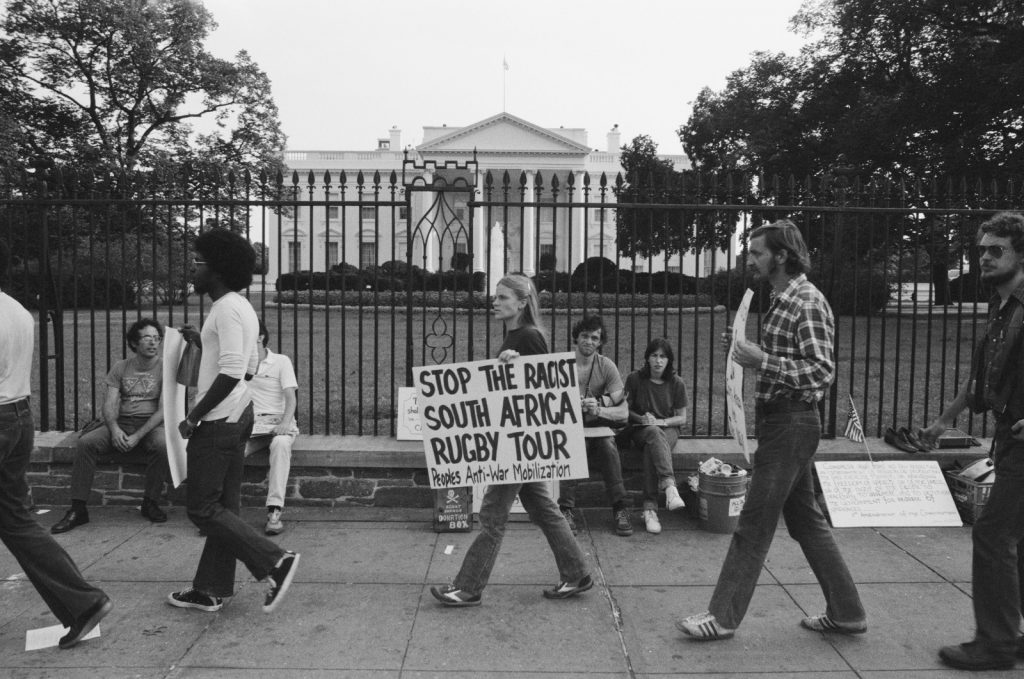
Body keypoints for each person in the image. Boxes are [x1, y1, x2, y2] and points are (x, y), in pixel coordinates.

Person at [677, 219, 865, 641]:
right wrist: (746, 352)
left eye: (757, 252)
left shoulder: (806, 300)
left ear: (781, 256)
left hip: (792, 422)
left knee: (754, 523)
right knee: (806, 522)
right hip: (783, 421)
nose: (750, 259)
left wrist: (761, 360)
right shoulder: (784, 299)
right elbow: (787, 358)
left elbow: (821, 372)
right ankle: (848, 612)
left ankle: (722, 617)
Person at [430, 274, 592, 606]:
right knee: (543, 508)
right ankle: (577, 573)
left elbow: (541, 390)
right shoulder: (517, 334)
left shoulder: (528, 337)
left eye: (503, 297)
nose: (496, 302)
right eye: (496, 296)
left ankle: (468, 587)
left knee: (492, 515)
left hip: (517, 445)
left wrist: (516, 365)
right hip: (517, 442)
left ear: (521, 303)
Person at [169, 229, 300, 615]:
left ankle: (275, 561)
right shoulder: (241, 307)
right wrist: (203, 342)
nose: (192, 268)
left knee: (202, 509)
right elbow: (248, 367)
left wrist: (193, 416)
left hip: (219, 420)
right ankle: (210, 589)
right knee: (224, 507)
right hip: (240, 414)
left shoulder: (225, 309)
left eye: (197, 261)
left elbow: (230, 372)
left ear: (217, 268)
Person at [920, 211, 1024, 671]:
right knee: (1016, 538)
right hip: (1009, 437)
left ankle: (996, 644)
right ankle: (1011, 636)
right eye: (981, 249)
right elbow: (981, 378)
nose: (984, 256)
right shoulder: (1003, 307)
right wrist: (944, 421)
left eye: (996, 249)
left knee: (994, 534)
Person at [0, 240, 111, 648]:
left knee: (15, 519)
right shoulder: (15, 309)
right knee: (16, 520)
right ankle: (83, 603)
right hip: (19, 416)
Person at [51, 318, 170, 533]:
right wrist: (115, 430)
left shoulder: (165, 368)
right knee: (86, 443)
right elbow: (109, 404)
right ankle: (78, 509)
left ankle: (150, 502)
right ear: (134, 343)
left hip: (150, 426)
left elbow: (163, 411)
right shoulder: (120, 367)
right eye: (147, 337)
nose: (153, 342)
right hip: (122, 422)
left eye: (157, 338)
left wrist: (137, 436)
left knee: (163, 445)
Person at [557, 315, 632, 536]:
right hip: (568, 428)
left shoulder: (606, 366)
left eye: (594, 338)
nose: (589, 341)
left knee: (608, 444)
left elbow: (623, 412)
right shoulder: (561, 365)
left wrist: (598, 408)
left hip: (596, 428)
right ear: (576, 337)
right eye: (585, 336)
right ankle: (565, 509)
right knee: (574, 444)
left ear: (600, 342)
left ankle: (620, 507)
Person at [623, 338, 688, 534]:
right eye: (654, 356)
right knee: (652, 433)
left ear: (669, 360)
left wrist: (663, 421)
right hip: (641, 429)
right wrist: (642, 418)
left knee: (653, 448)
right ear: (647, 358)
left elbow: (682, 417)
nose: (658, 361)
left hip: (668, 429)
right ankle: (669, 487)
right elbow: (624, 410)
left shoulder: (676, 382)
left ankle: (649, 509)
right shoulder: (635, 379)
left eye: (663, 357)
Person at [244, 319, 299, 536]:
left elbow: (291, 398)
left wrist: (285, 423)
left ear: (260, 337)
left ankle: (274, 509)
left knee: (281, 445)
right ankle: (223, 510)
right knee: (231, 451)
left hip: (279, 422)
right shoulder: (239, 363)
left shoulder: (281, 361)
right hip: (252, 425)